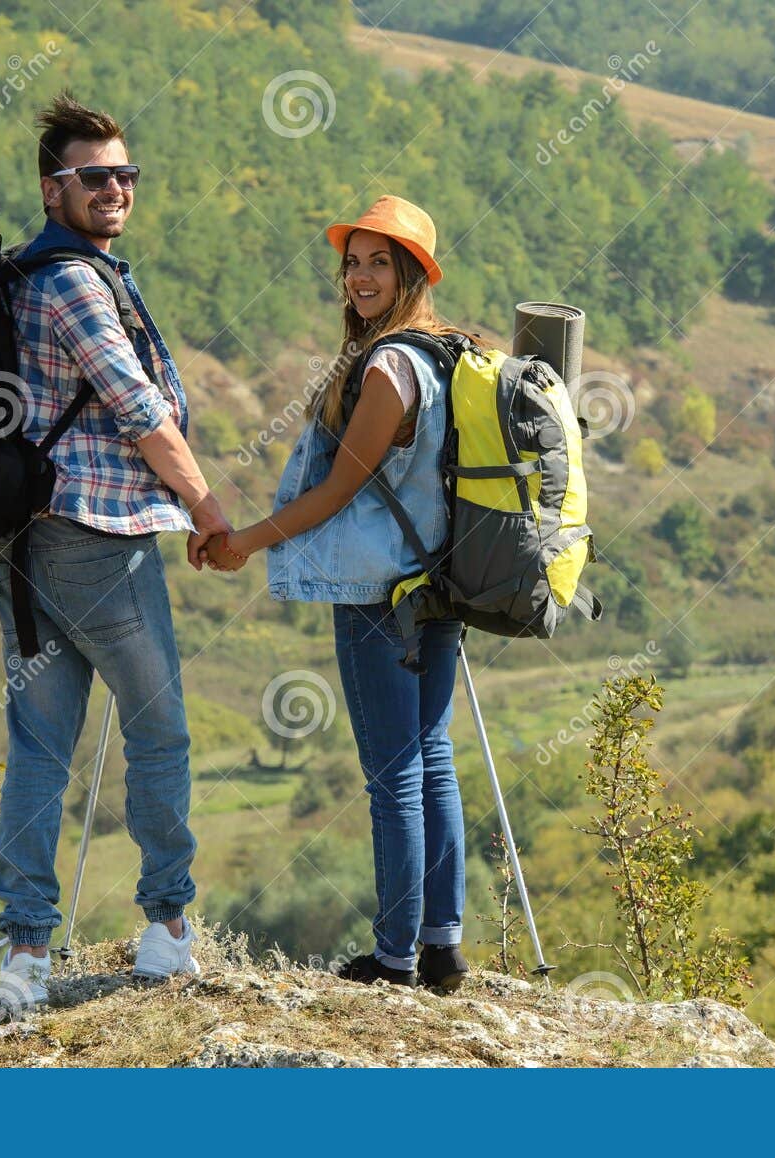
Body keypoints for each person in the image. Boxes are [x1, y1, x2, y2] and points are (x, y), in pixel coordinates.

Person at [0, 92, 232, 1002]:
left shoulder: (20, 277)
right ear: (54, 190)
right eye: (95, 177)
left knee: (40, 748)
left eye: (125, 174)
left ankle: (24, 956)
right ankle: (167, 928)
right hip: (99, 538)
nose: (116, 189)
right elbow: (140, 412)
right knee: (160, 732)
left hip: (23, 541)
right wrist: (209, 508)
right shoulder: (75, 284)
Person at [205, 195, 472, 991]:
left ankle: (395, 958)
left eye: (378, 262)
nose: (358, 276)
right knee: (431, 757)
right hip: (442, 582)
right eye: (352, 262)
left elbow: (336, 493)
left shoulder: (389, 365)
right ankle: (443, 948)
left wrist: (242, 544)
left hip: (378, 592)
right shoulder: (446, 353)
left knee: (395, 771)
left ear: (413, 273)